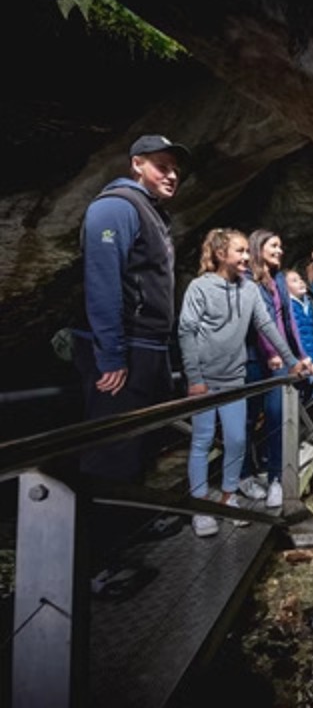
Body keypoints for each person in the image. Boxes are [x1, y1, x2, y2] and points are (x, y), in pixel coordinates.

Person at [73, 134, 190, 483]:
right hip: (128, 345)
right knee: (113, 447)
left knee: (144, 441)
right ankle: (105, 531)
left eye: (175, 170)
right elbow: (102, 281)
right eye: (162, 167)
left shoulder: (153, 213)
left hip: (151, 346)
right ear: (137, 164)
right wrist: (110, 354)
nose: (171, 175)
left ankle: (135, 522)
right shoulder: (115, 207)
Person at [177, 228, 309, 538]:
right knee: (202, 441)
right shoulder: (200, 287)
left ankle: (228, 498)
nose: (247, 257)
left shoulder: (249, 289)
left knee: (236, 440)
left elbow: (267, 326)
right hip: (205, 382)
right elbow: (186, 332)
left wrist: (292, 361)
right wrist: (194, 379)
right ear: (222, 254)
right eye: (240, 252)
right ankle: (200, 507)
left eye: (247, 252)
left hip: (235, 379)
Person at [240, 230, 304, 509]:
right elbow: (257, 322)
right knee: (246, 420)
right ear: (258, 247)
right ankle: (244, 475)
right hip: (253, 359)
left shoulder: (278, 280)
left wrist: (298, 358)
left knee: (277, 418)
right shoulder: (244, 280)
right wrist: (270, 354)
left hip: (278, 361)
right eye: (274, 245)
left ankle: (276, 479)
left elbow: (288, 323)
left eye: (281, 246)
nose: (280, 250)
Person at [286, 268, 313, 402]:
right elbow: (294, 337)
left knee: (309, 395)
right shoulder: (288, 306)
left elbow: (311, 337)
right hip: (297, 363)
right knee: (295, 400)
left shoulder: (308, 304)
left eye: (300, 279)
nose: (300, 282)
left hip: (309, 361)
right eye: (294, 281)